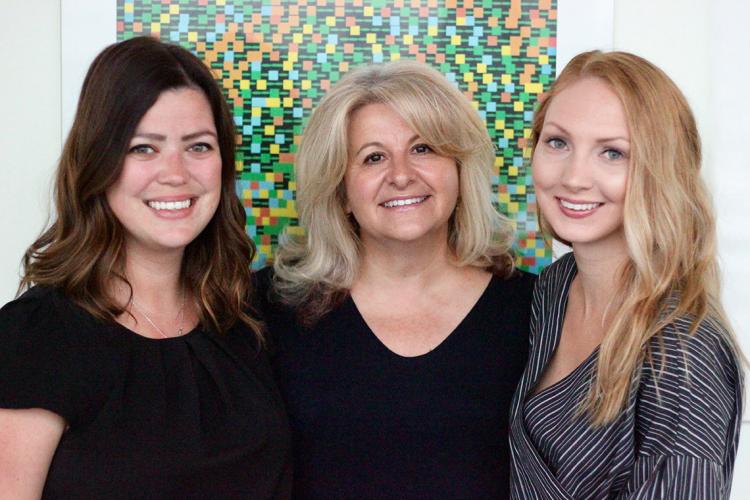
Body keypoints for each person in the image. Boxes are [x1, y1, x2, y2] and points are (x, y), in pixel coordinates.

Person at [0, 37, 291, 498]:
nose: (175, 173)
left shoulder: (244, 320)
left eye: (198, 146)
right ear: (98, 162)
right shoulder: (35, 336)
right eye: (143, 149)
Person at [255, 60, 535, 499]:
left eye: (423, 148)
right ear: (341, 190)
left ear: (459, 170)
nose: (401, 174)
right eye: (373, 157)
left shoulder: (537, 310)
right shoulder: (265, 309)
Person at [509, 50, 745, 499]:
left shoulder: (681, 354)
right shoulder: (554, 287)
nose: (574, 177)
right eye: (558, 142)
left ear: (660, 170)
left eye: (613, 153)